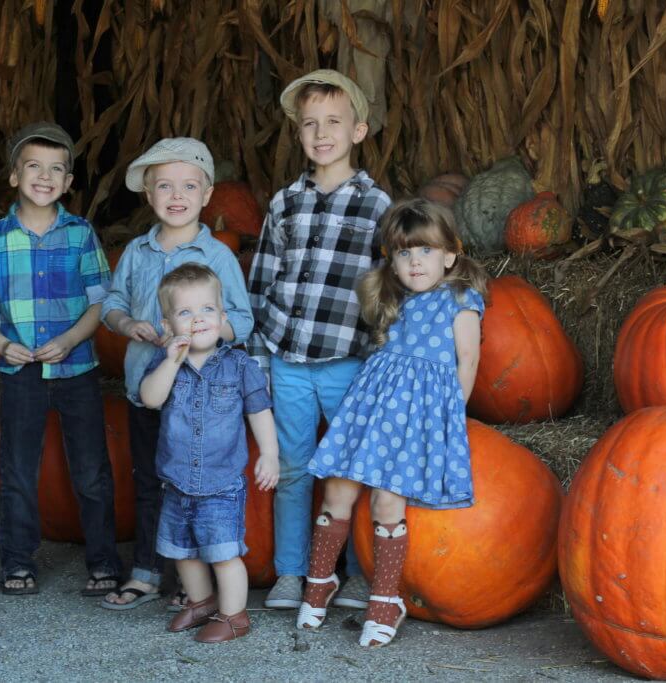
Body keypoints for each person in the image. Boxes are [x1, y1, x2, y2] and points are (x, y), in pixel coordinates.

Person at [296, 198, 488, 647]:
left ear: (449, 255)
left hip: (417, 417)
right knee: (337, 491)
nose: (415, 262)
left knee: (386, 503)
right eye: (404, 253)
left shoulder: (460, 300)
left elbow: (469, 361)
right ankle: (320, 581)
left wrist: (446, 421)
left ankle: (386, 598)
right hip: (372, 407)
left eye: (425, 251)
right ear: (392, 260)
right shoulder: (393, 298)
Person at [248, 69, 392, 610]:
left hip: (348, 361)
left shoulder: (378, 206)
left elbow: (387, 291)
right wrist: (260, 354)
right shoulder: (285, 203)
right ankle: (292, 574)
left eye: (334, 122)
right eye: (310, 124)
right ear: (299, 134)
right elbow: (263, 279)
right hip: (287, 358)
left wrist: (381, 359)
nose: (321, 132)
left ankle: (353, 575)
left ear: (359, 130)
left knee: (351, 470)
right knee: (291, 469)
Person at [0, 122, 121, 597]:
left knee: (92, 471)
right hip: (20, 371)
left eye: (57, 170)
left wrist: (71, 338)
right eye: (34, 166)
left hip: (76, 370)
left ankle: (104, 563)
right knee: (17, 471)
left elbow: (102, 303)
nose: (45, 176)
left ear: (68, 183)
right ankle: (17, 563)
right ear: (14, 176)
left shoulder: (80, 234)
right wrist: (0, 344)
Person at [100, 138, 255, 610]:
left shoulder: (220, 258)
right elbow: (111, 304)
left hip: (201, 401)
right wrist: (128, 324)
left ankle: (195, 586)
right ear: (149, 195)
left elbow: (243, 321)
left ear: (207, 195)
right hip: (147, 389)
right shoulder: (137, 253)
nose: (176, 195)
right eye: (164, 185)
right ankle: (147, 573)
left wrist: (208, 327)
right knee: (150, 482)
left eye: (189, 185)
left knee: (195, 486)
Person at [138, 263, 279, 642]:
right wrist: (171, 358)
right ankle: (200, 602)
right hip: (177, 481)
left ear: (223, 317)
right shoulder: (166, 363)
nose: (198, 319)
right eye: (185, 312)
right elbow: (150, 399)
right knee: (181, 550)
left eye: (206, 310)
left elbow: (259, 411)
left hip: (221, 482)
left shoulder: (239, 365)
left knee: (222, 552)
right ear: (168, 324)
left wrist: (269, 454)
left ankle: (234, 616)